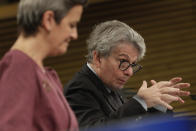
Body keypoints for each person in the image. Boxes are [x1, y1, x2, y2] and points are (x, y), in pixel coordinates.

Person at [64, 20, 190, 129]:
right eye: (123, 62)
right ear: (98, 58)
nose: (129, 72)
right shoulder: (79, 88)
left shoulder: (110, 83)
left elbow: (133, 124)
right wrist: (140, 102)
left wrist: (157, 104)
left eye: (133, 64)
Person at [0, 0, 87, 131]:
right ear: (48, 20)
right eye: (72, 25)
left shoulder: (43, 74)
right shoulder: (19, 69)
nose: (75, 35)